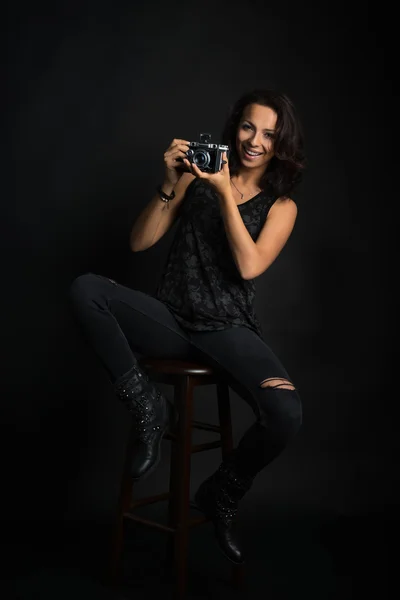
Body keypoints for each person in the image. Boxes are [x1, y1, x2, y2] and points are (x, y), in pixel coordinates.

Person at [69, 88, 306, 565]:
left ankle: (220, 493)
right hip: (172, 321)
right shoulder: (198, 178)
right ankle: (150, 408)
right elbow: (140, 243)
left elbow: (247, 266)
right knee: (86, 288)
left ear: (281, 144)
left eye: (268, 134)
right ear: (234, 126)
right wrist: (170, 181)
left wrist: (224, 196)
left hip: (229, 330)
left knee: (286, 412)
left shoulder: (281, 206)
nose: (254, 141)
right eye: (247, 127)